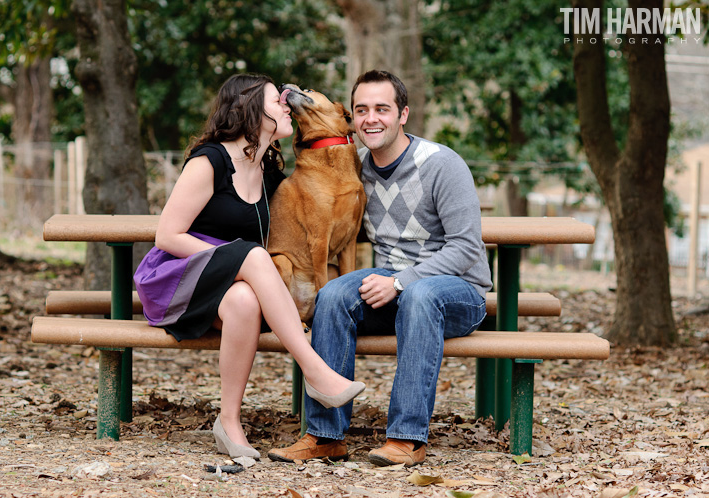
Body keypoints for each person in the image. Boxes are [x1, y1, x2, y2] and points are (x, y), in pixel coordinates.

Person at [133, 73, 365, 460]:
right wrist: (234, 257)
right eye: (277, 102)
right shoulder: (210, 161)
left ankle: (229, 421)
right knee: (253, 255)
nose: (287, 106)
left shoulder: (270, 171)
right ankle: (316, 371)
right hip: (179, 281)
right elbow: (167, 236)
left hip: (228, 291)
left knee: (244, 300)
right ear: (251, 111)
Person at [269, 70, 492, 467]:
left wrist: (400, 281)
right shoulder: (354, 167)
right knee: (333, 295)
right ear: (350, 118)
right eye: (362, 110)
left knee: (420, 295)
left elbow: (465, 247)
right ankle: (324, 435)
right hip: (389, 289)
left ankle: (406, 439)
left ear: (403, 114)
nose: (371, 118)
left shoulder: (442, 164)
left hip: (457, 291)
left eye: (382, 109)